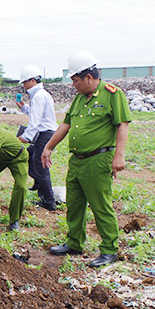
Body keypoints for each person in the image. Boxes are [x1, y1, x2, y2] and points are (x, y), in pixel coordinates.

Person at [41, 51, 131, 267]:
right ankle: (74, 242)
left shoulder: (112, 94)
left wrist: (119, 155)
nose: (73, 85)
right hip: (78, 160)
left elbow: (123, 124)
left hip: (98, 159)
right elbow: (66, 124)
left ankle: (109, 250)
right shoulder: (80, 98)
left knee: (101, 205)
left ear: (88, 77)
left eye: (75, 80)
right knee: (74, 203)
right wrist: (48, 147)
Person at [16, 65, 58, 210]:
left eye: (25, 82)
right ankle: (39, 184)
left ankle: (48, 201)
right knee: (32, 156)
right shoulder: (39, 94)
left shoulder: (39, 95)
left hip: (45, 133)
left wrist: (26, 136)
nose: (24, 85)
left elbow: (35, 120)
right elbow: (35, 112)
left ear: (32, 80)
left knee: (41, 165)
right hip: (45, 132)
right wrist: (23, 107)